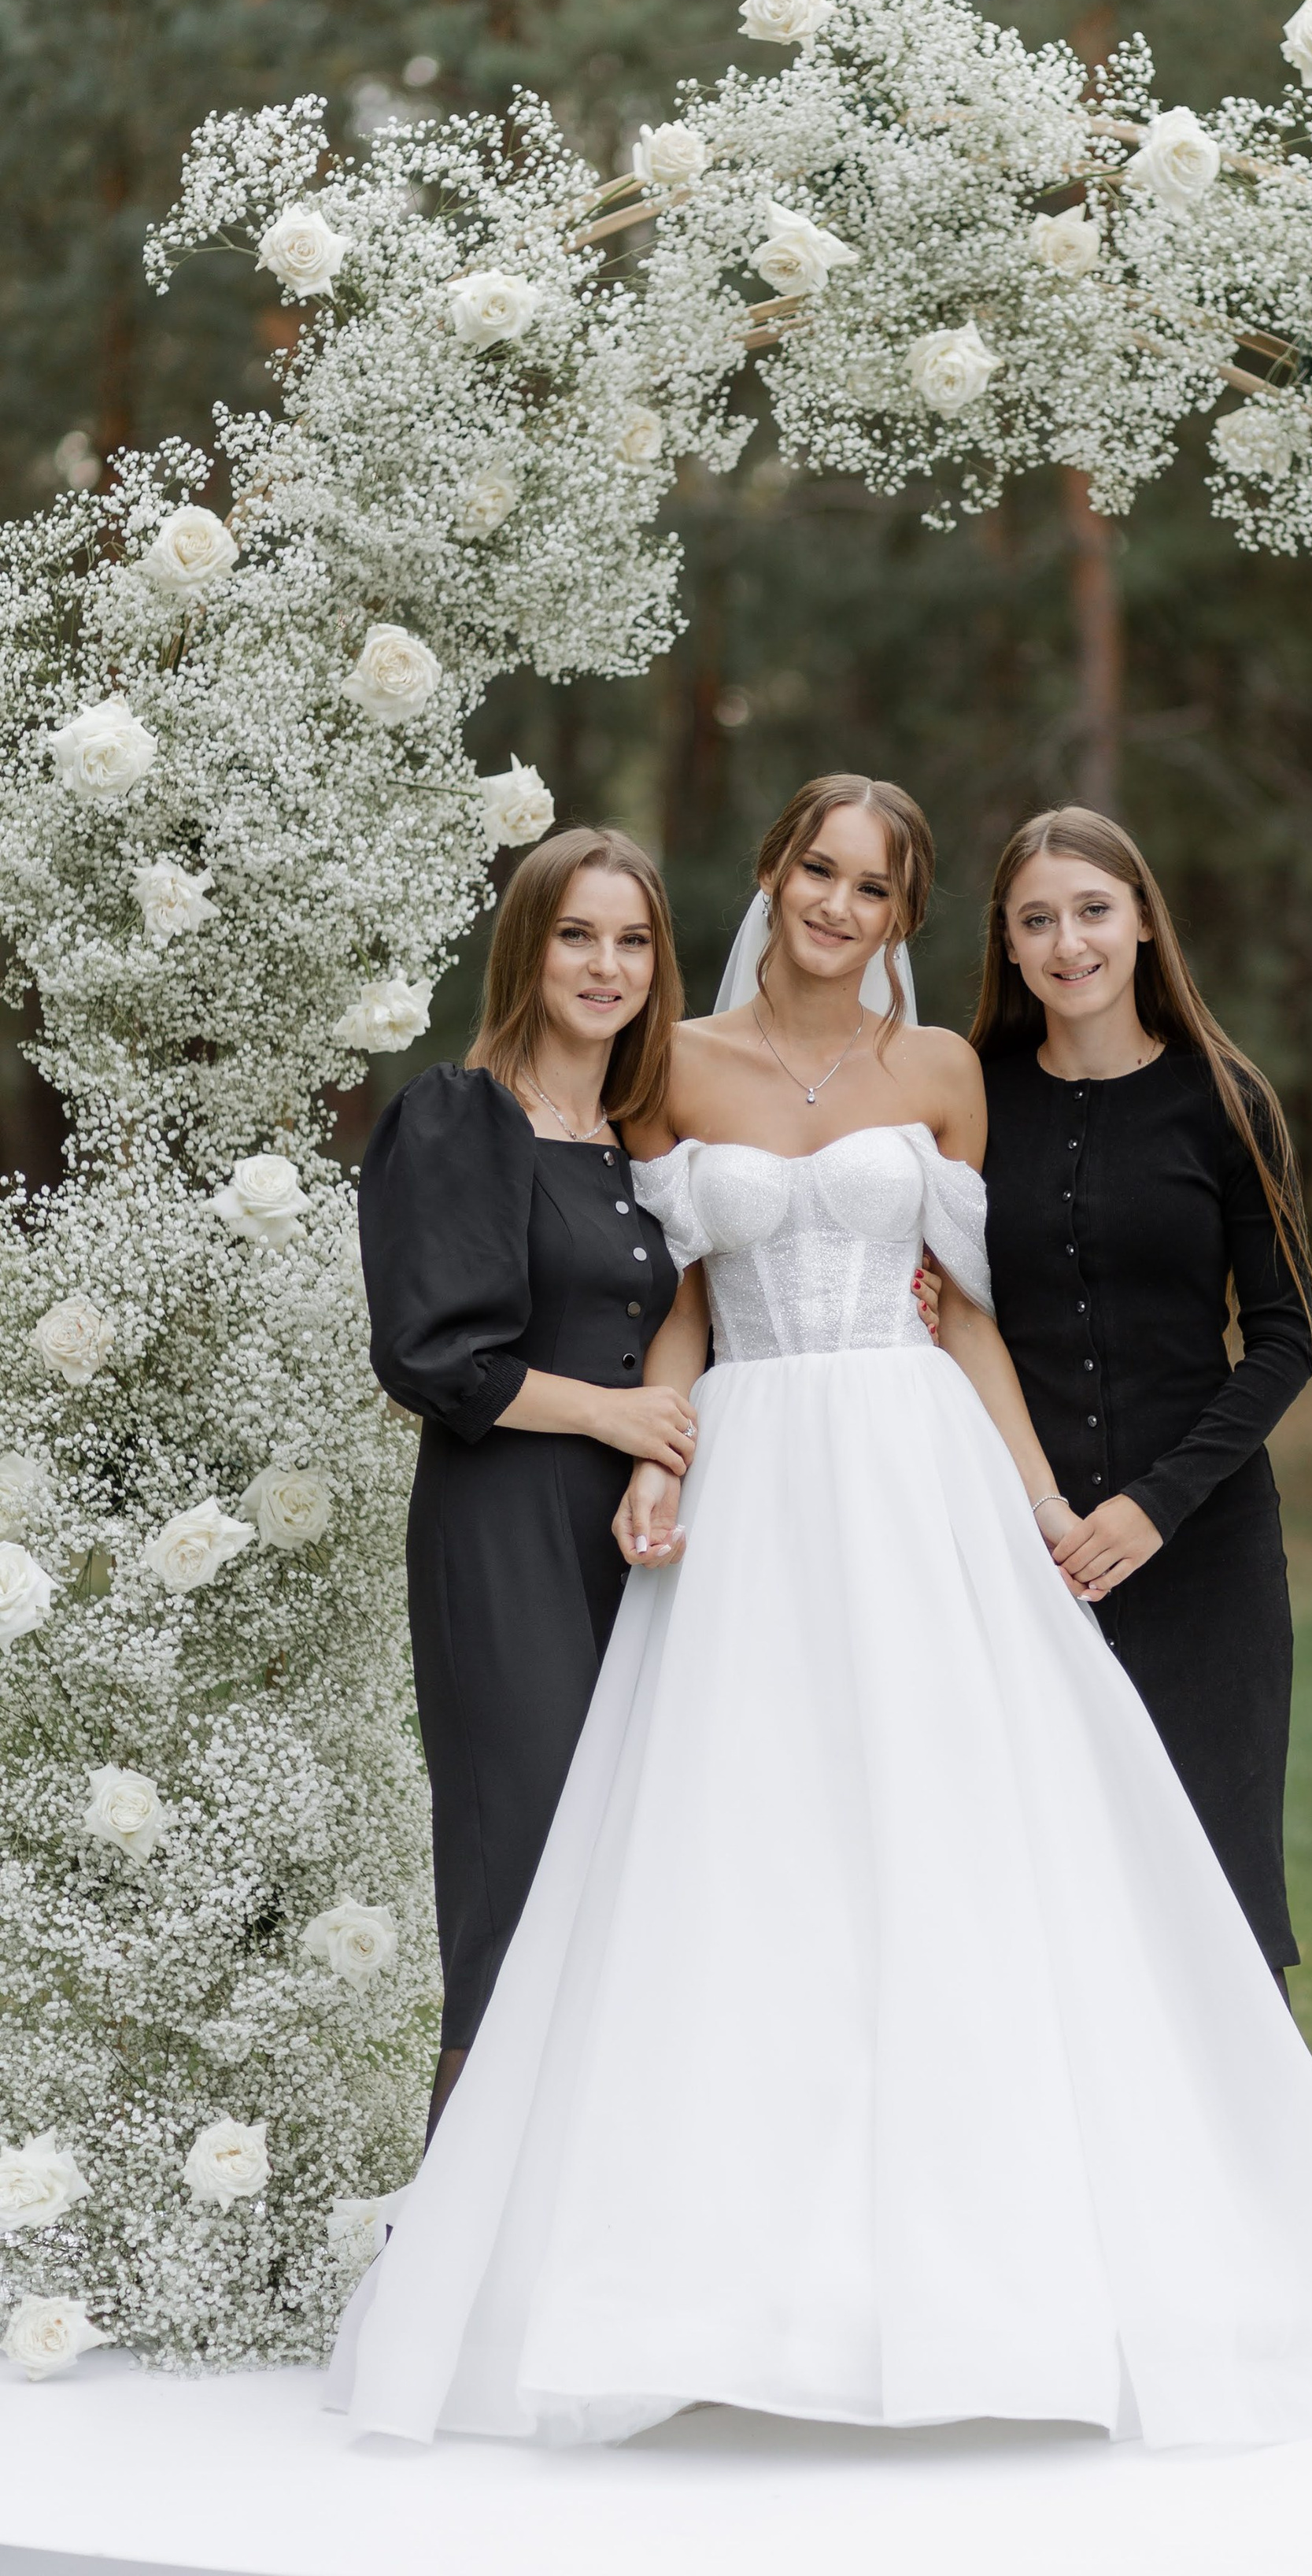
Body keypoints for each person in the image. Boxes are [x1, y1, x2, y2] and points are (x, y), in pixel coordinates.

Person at [332, 775, 1312, 2450]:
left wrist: (1040, 1504)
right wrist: (657, 1452)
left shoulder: (939, 1073)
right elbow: (681, 1296)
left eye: (873, 887)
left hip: (909, 1460)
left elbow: (968, 1313)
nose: (838, 906)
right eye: (817, 871)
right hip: (752, 1470)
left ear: (905, 915)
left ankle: (985, 2263)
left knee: (956, 1839)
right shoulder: (673, 1065)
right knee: (742, 1849)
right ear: (772, 875)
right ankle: (719, 2275)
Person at [357, 828, 693, 2141]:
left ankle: (590, 2207)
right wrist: (618, 1414)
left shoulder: (640, 1139)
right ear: (528, 949)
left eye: (633, 940)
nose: (607, 965)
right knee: (528, 1867)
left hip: (639, 1539)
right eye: (577, 935)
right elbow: (433, 1359)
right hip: (504, 1528)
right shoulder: (463, 1114)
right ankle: (453, 2221)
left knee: (632, 1873)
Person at [972, 806, 1312, 1989]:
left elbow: (1284, 1339)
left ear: (1144, 921)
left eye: (1093, 910)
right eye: (1037, 919)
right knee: (1041, 1894)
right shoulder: (971, 1097)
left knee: (1220, 1894)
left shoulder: (1227, 1097)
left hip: (1203, 1554)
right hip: (1022, 1550)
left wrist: (1155, 1506)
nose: (1068, 942)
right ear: (1007, 943)